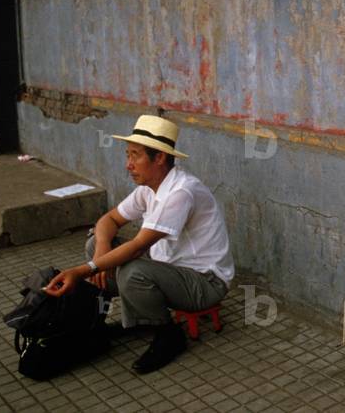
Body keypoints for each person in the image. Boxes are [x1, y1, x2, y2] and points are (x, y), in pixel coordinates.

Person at [43, 115, 234, 374]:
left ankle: (167, 334)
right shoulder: (149, 187)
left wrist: (83, 270)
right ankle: (121, 321)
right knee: (96, 246)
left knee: (133, 272)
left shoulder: (180, 192)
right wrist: (100, 249)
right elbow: (109, 220)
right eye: (127, 155)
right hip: (168, 269)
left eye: (135, 156)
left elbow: (137, 246)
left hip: (204, 282)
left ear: (160, 158)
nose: (128, 165)